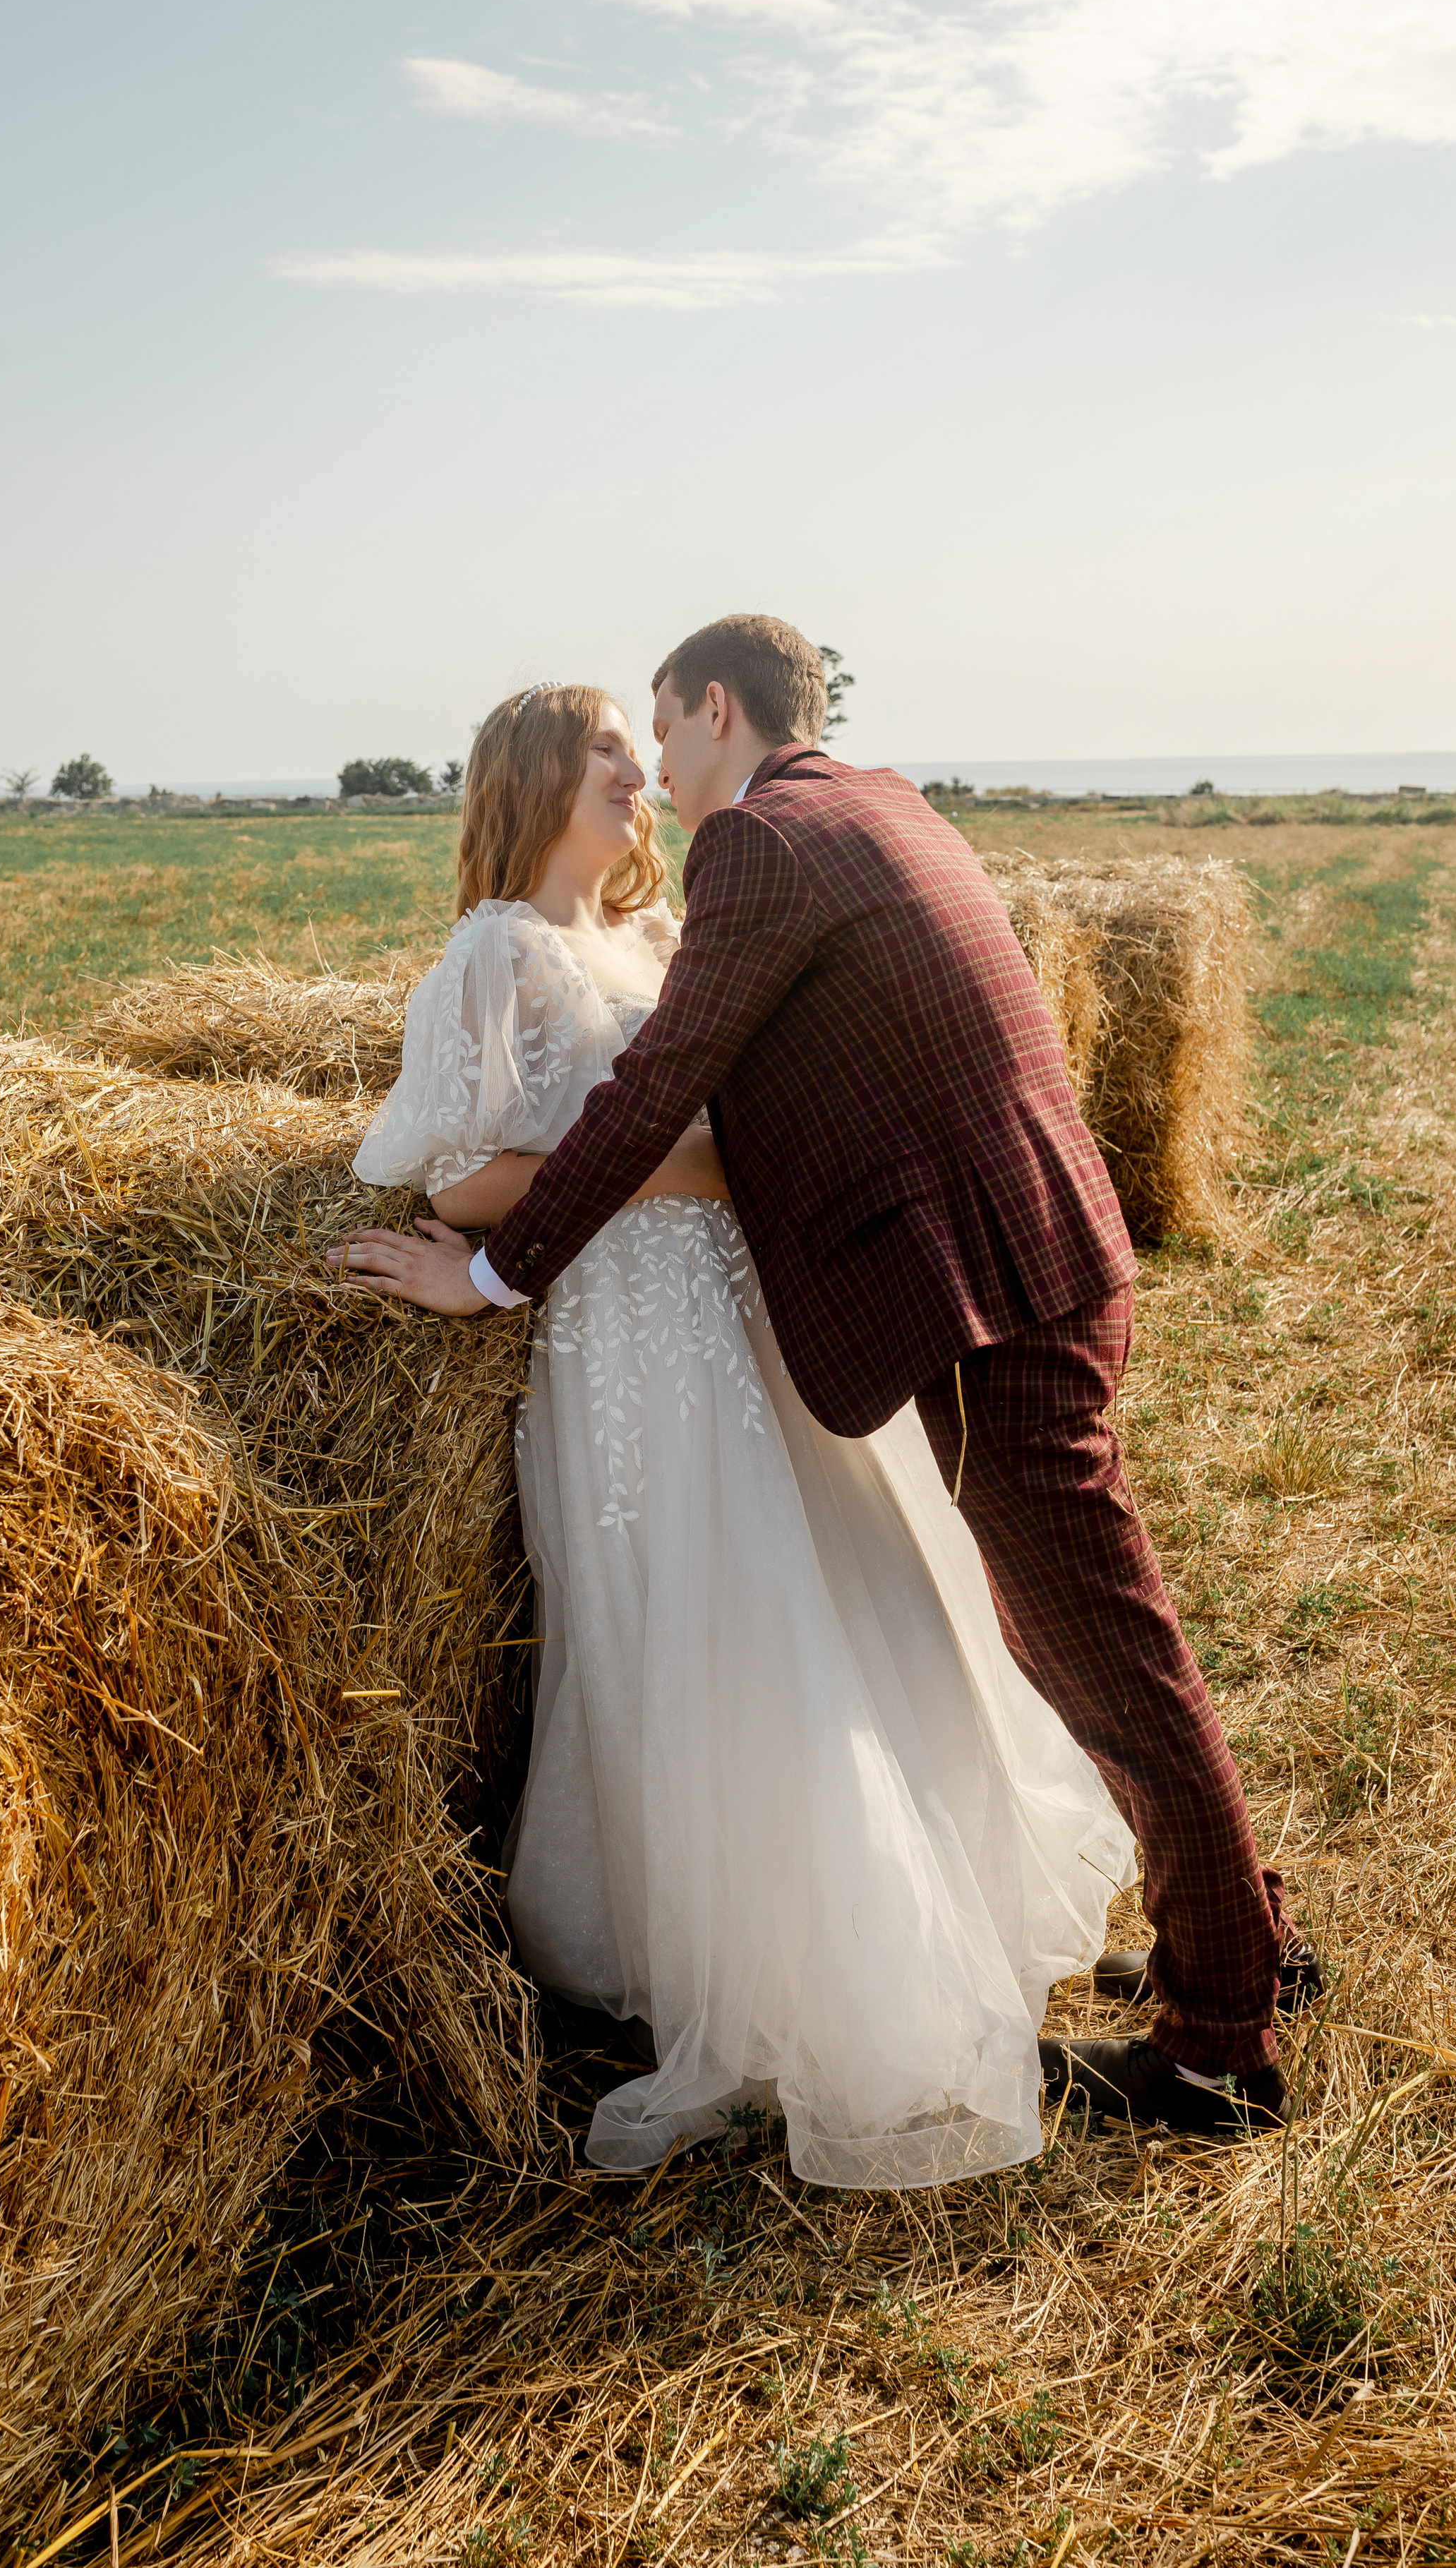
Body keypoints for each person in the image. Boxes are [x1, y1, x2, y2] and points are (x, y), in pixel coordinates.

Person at [342, 618, 1315, 2141]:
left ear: (712, 708)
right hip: (1009, 1263)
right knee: (1083, 1640)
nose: (653, 770)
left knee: (1104, 1658)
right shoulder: (877, 799)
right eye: (615, 747)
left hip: (982, 1296)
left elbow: (666, 1093)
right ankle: (1236, 1937)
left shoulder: (758, 849)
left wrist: (488, 1274)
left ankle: (1215, 2038)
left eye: (654, 730)